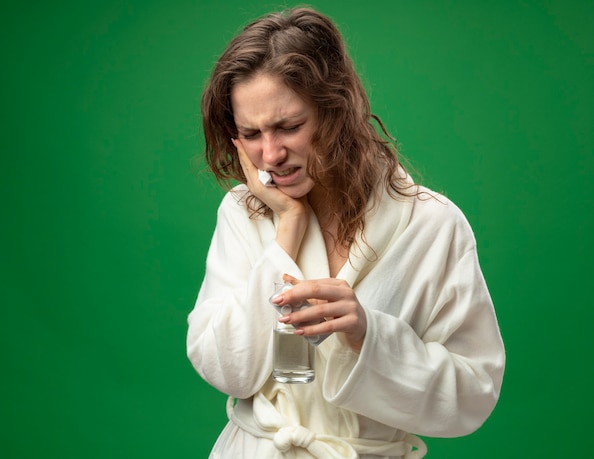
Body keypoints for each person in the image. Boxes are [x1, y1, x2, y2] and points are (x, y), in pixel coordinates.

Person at [186, 7, 505, 459]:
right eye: (251, 134)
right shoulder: (244, 213)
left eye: (289, 127)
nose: (271, 154)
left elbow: (474, 394)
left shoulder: (433, 225)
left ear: (336, 109)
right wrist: (287, 231)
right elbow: (225, 369)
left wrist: (368, 335)